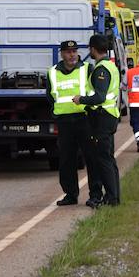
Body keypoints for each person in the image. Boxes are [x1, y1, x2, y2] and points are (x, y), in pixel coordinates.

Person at [47, 40, 103, 208]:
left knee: (91, 158)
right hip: (64, 122)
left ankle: (95, 195)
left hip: (84, 119)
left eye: (74, 51)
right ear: (62, 54)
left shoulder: (87, 69)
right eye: (68, 52)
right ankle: (70, 194)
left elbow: (95, 92)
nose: (72, 55)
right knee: (66, 160)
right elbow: (50, 96)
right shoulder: (52, 72)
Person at [73, 34, 121, 207]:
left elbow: (100, 97)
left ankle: (111, 198)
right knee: (108, 158)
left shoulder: (101, 69)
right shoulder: (110, 65)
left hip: (103, 117)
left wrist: (81, 99)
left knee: (103, 159)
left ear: (93, 49)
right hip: (109, 115)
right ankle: (114, 196)